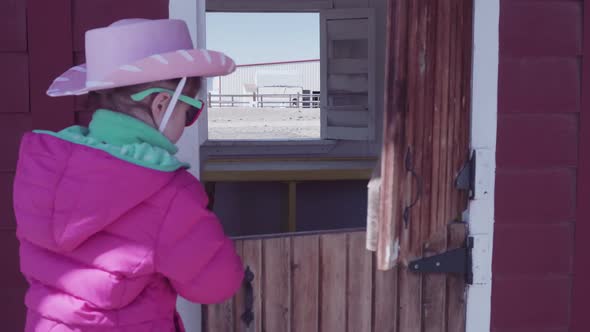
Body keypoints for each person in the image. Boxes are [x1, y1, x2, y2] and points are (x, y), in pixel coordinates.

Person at [13, 18, 243, 332]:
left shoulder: (43, 168)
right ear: (162, 104)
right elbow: (216, 284)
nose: (190, 121)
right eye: (191, 111)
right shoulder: (167, 191)